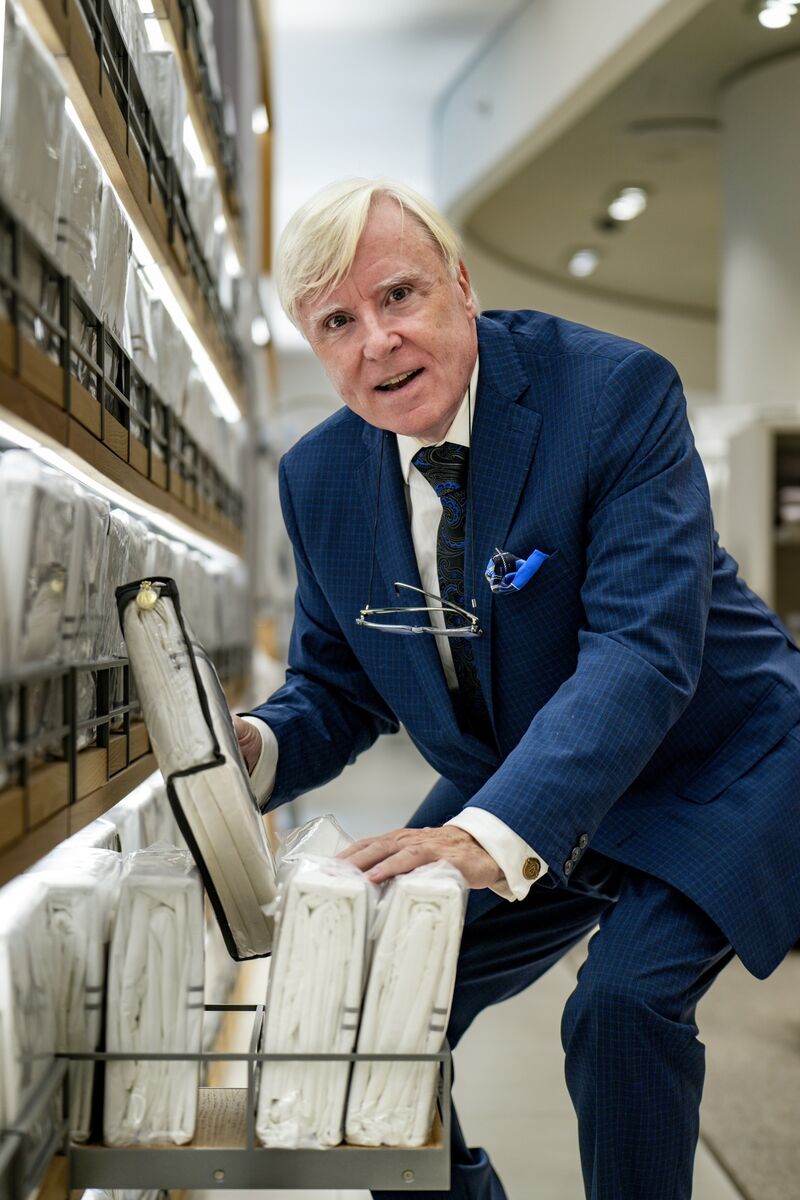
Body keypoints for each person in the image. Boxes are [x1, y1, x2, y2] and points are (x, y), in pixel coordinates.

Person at [234, 178, 800, 1200]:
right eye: (337, 322)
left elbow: (639, 650)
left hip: (712, 760)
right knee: (370, 1005)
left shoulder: (611, 394)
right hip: (525, 766)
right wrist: (249, 750)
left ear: (460, 282)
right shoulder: (318, 477)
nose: (377, 342)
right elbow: (337, 686)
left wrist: (482, 836)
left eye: (398, 296)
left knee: (619, 1009)